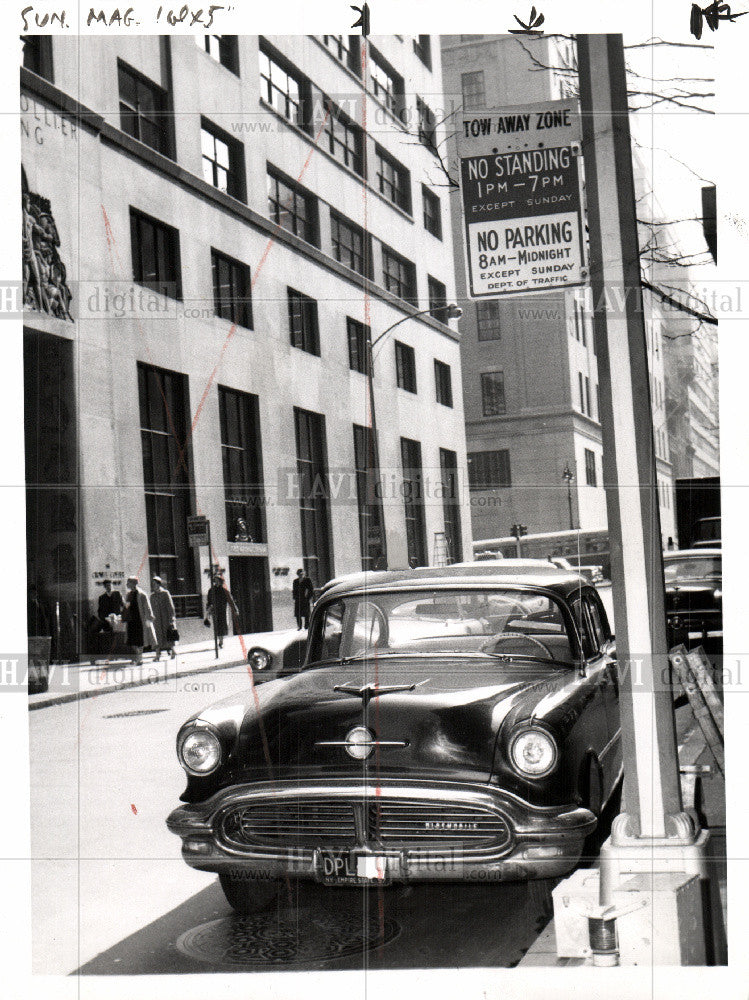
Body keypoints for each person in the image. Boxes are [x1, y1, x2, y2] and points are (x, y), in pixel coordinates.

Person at [122, 576, 157, 665]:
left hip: (140, 620)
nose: (127, 584)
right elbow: (126, 606)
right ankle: (137, 657)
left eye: (128, 583)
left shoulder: (142, 594)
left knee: (140, 640)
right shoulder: (128, 595)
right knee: (131, 640)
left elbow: (147, 607)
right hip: (131, 621)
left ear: (134, 583)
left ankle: (139, 658)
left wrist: (149, 618)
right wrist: (124, 615)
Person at [205, 573, 238, 649]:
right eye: (215, 580)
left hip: (223, 610)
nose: (216, 582)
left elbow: (230, 601)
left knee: (222, 626)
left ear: (220, 581)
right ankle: (218, 641)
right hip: (215, 611)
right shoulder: (211, 590)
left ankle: (221, 642)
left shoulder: (224, 590)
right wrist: (208, 610)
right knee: (217, 626)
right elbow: (209, 601)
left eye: (218, 580)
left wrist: (235, 609)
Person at [151, 576, 178, 659]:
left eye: (155, 584)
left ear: (159, 584)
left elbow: (170, 606)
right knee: (157, 637)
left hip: (166, 619)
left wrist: (172, 618)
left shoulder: (165, 593)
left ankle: (173, 651)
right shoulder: (152, 596)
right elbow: (150, 608)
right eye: (152, 584)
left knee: (169, 636)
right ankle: (157, 655)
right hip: (157, 620)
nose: (153, 585)